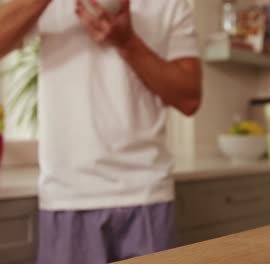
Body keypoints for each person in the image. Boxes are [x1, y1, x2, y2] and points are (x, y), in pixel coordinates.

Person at [0, 0, 202, 263]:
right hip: (68, 195)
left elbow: (189, 97)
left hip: (146, 192)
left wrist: (128, 42)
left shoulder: (171, 4)